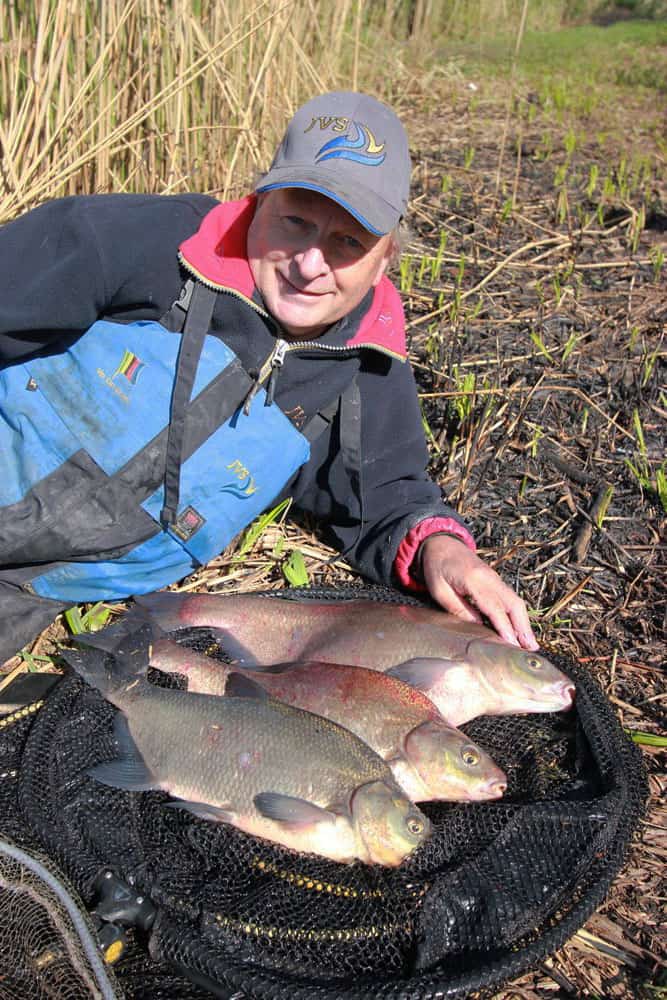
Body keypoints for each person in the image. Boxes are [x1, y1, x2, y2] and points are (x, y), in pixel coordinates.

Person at [0, 91, 539, 666]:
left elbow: (384, 496)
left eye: (348, 243)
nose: (310, 265)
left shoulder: (368, 366)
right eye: (295, 223)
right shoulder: (147, 244)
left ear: (386, 258)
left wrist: (441, 549)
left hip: (33, 594)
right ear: (259, 202)